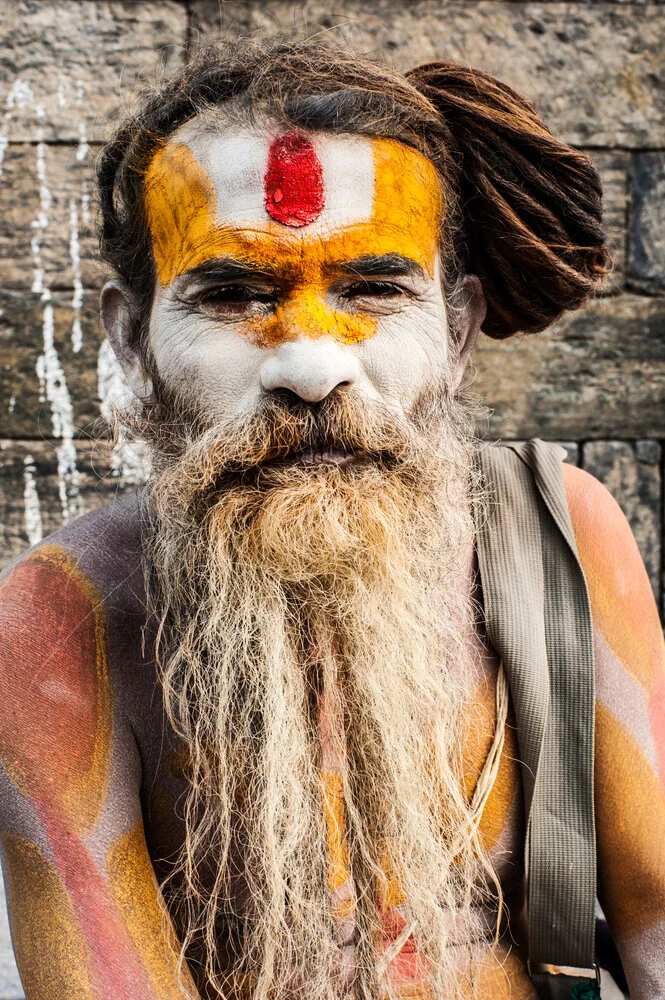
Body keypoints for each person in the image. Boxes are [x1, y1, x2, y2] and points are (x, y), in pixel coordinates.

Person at [0, 40, 663, 1000]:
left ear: (459, 330)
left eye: (373, 290)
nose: (311, 366)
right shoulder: (54, 625)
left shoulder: (558, 538)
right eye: (235, 295)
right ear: (132, 340)